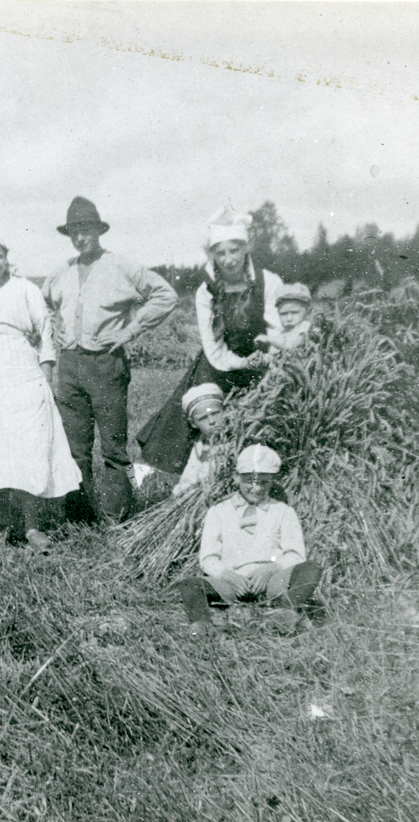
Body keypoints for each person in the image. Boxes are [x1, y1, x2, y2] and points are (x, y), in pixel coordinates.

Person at [42, 196, 177, 524]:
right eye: (74, 232)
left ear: (98, 230)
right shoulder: (61, 272)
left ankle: (117, 516)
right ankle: (80, 516)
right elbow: (41, 303)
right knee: (74, 448)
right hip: (69, 366)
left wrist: (130, 330)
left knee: (114, 448)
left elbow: (166, 295)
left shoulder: (121, 266)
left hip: (106, 364)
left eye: (86, 230)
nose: (80, 238)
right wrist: (53, 327)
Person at [0, 236, 81, 552]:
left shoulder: (25, 288)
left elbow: (45, 331)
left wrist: (45, 373)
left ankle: (32, 526)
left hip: (22, 368)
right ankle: (3, 522)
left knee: (28, 445)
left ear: (7, 259)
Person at [136, 206, 286, 477]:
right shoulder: (206, 291)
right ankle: (198, 475)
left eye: (234, 250)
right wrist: (240, 363)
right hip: (220, 365)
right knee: (204, 417)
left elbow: (278, 332)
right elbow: (213, 346)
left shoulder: (269, 282)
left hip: (264, 363)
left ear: (246, 248)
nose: (228, 259)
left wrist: (267, 359)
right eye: (221, 253)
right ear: (212, 254)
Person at [174, 444, 322, 636]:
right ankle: (203, 626)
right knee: (190, 584)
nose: (256, 488)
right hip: (232, 583)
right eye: (249, 481)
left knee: (311, 569)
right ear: (236, 477)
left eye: (264, 482)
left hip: (272, 582)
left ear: (272, 480)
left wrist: (271, 569)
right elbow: (208, 558)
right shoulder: (218, 512)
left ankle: (283, 612)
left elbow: (295, 554)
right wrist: (229, 576)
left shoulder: (284, 512)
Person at [172, 383, 225, 497]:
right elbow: (189, 478)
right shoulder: (200, 446)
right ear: (193, 423)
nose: (212, 421)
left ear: (224, 410)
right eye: (203, 418)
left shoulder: (235, 439)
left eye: (215, 413)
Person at [256, 283, 313, 353]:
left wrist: (269, 339)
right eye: (283, 314)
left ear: (307, 313)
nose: (289, 319)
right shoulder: (281, 332)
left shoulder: (305, 328)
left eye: (294, 313)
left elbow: (290, 347)